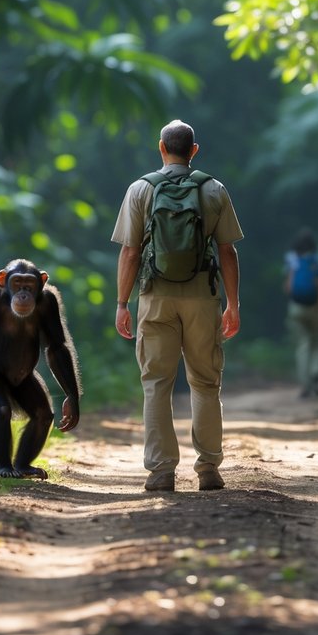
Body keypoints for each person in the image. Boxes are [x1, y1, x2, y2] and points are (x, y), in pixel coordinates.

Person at [112, 120, 244, 493]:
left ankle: (160, 472)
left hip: (154, 297)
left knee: (156, 384)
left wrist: (123, 303)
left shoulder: (140, 189)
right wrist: (232, 304)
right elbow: (227, 251)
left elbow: (130, 251)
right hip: (202, 296)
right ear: (194, 150)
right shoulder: (214, 189)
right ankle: (208, 470)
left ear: (161, 148)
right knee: (205, 382)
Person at [284, 227, 318, 399]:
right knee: (315, 341)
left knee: (303, 344)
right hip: (314, 306)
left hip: (296, 307)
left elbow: (288, 287)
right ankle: (315, 372)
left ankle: (305, 382)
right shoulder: (316, 260)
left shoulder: (292, 260)